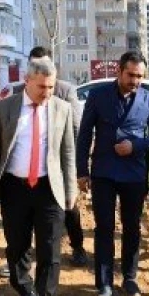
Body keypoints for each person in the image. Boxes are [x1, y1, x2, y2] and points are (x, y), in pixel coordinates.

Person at [0, 58, 77, 296]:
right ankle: (24, 287)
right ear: (28, 81)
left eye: (51, 86)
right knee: (17, 246)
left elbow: (68, 153)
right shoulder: (4, 108)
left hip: (49, 188)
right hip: (14, 188)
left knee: (50, 251)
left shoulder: (62, 109)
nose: (47, 92)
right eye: (42, 87)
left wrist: (71, 191)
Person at [77, 50, 149, 296]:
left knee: (132, 227)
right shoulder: (98, 95)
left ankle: (130, 277)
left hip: (134, 173)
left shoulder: (148, 100)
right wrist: (82, 171)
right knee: (104, 228)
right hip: (103, 171)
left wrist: (137, 145)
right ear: (119, 71)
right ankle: (104, 285)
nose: (135, 81)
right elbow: (84, 135)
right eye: (131, 75)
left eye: (139, 76)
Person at [28, 46, 89, 267]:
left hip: (60, 162)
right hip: (31, 165)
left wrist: (70, 165)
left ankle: (78, 247)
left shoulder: (65, 90)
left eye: (44, 64)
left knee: (69, 206)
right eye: (35, 65)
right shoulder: (22, 91)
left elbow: (76, 128)